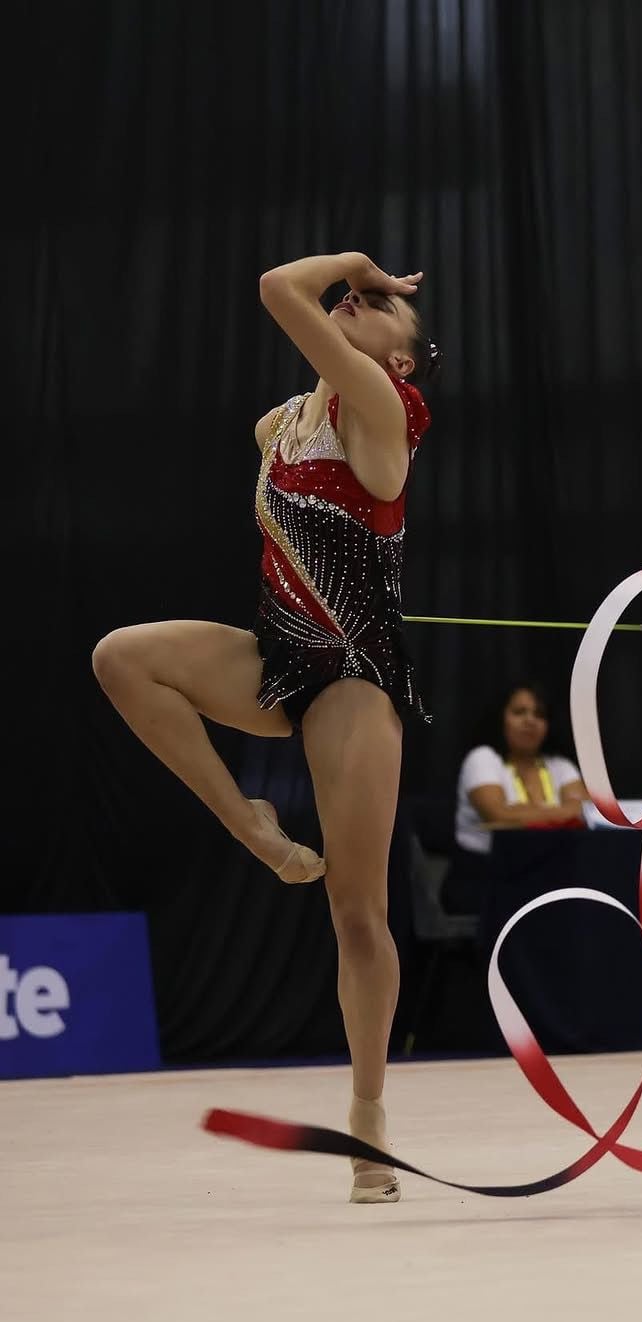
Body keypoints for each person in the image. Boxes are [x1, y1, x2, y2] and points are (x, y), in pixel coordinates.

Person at [91, 251, 440, 1204]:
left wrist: (361, 265)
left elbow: (279, 288)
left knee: (356, 915)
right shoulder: (286, 423)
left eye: (374, 308)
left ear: (399, 364)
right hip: (278, 655)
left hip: (351, 679)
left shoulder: (384, 408)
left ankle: (368, 1118)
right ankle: (246, 818)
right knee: (123, 656)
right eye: (358, 298)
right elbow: (287, 443)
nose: (357, 301)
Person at [442, 682, 588, 914]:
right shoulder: (483, 758)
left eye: (539, 714)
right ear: (501, 718)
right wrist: (559, 813)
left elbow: (584, 812)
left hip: (545, 874)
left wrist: (522, 811)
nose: (530, 720)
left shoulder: (560, 765)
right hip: (483, 877)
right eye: (519, 712)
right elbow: (498, 815)